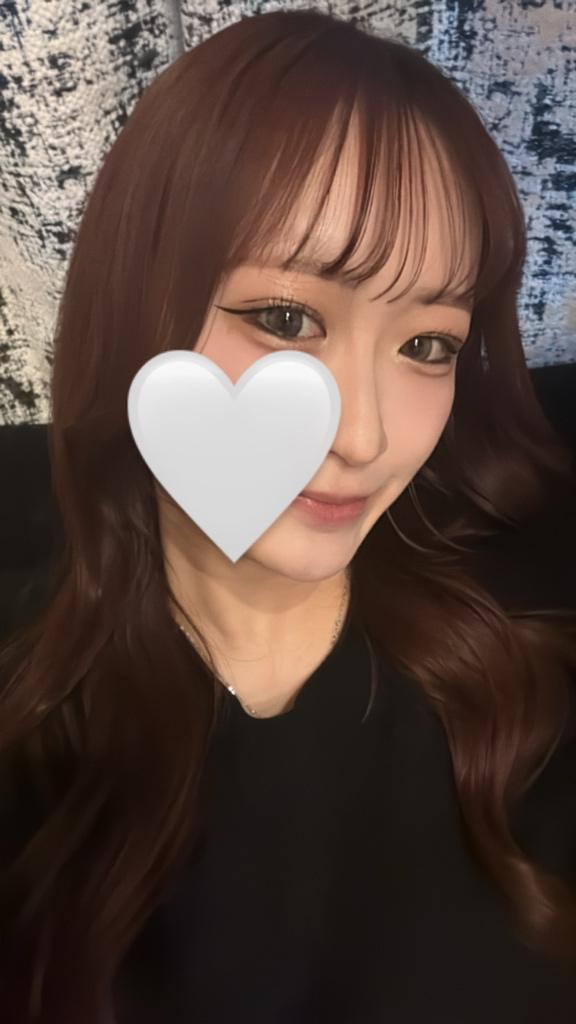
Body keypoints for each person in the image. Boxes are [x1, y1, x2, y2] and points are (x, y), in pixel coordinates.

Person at [0, 9, 575, 1023]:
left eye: (428, 346)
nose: (364, 435)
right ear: (135, 306)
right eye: (286, 319)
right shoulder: (31, 732)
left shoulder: (532, 702)